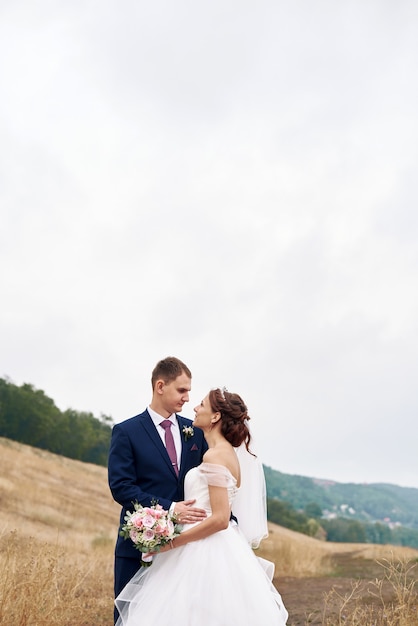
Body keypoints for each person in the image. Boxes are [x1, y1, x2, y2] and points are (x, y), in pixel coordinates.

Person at [115, 387, 289, 626]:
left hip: (204, 549)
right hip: (208, 542)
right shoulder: (224, 453)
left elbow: (220, 518)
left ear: (215, 417)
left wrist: (171, 544)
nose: (195, 407)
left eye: (202, 404)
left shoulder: (215, 456)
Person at [108, 357, 208, 623]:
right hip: (139, 544)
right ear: (160, 386)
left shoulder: (195, 432)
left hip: (185, 549)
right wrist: (171, 508)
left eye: (189, 390)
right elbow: (121, 487)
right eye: (182, 390)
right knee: (131, 617)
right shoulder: (126, 432)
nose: (188, 397)